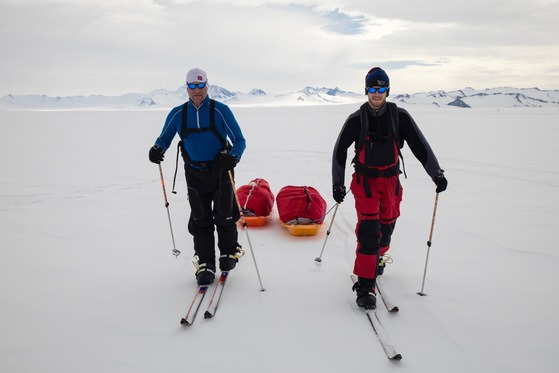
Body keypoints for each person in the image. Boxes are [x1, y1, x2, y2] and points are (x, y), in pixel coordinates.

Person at [332, 67, 448, 309]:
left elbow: (420, 146)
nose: (377, 92)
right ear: (366, 90)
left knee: (386, 228)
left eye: (381, 87)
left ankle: (378, 257)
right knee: (369, 231)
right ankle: (365, 286)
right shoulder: (356, 119)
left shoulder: (400, 117)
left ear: (387, 89)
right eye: (373, 88)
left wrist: (436, 173)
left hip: (391, 183)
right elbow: (339, 151)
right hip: (365, 183)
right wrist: (337, 184)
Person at [149, 68, 247, 285]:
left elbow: (239, 140)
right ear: (186, 88)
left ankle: (229, 253)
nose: (197, 90)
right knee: (200, 219)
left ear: (207, 86)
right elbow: (164, 139)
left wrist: (234, 157)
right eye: (192, 86)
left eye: (200, 85)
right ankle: (205, 263)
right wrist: (157, 150)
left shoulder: (220, 110)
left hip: (221, 171)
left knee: (225, 215)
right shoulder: (177, 114)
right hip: (194, 173)